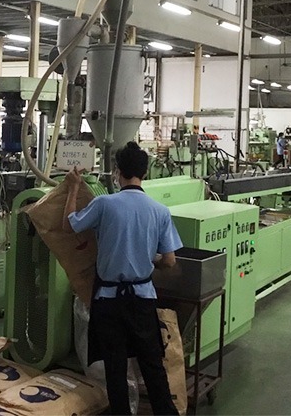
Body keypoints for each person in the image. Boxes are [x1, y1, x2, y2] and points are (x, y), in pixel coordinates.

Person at [63, 141, 182, 416]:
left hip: (109, 301)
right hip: (142, 300)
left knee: (115, 369)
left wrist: (73, 188)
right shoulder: (159, 211)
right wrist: (149, 259)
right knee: (152, 366)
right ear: (145, 173)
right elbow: (169, 261)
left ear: (117, 172)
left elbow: (70, 225)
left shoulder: (104, 204)